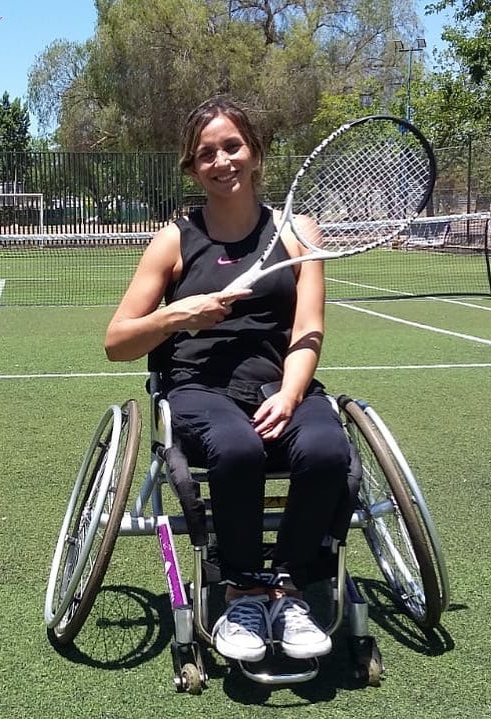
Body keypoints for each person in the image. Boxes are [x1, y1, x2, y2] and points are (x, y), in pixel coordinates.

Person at [104, 97, 352, 663]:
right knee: (236, 448)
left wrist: (290, 395)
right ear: (192, 169)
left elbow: (308, 328)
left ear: (256, 152)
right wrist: (180, 314)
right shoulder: (174, 240)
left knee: (325, 448)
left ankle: (287, 589)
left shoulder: (298, 232)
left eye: (232, 146)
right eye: (206, 154)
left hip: (279, 383)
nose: (222, 162)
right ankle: (240, 588)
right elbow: (117, 342)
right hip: (198, 387)